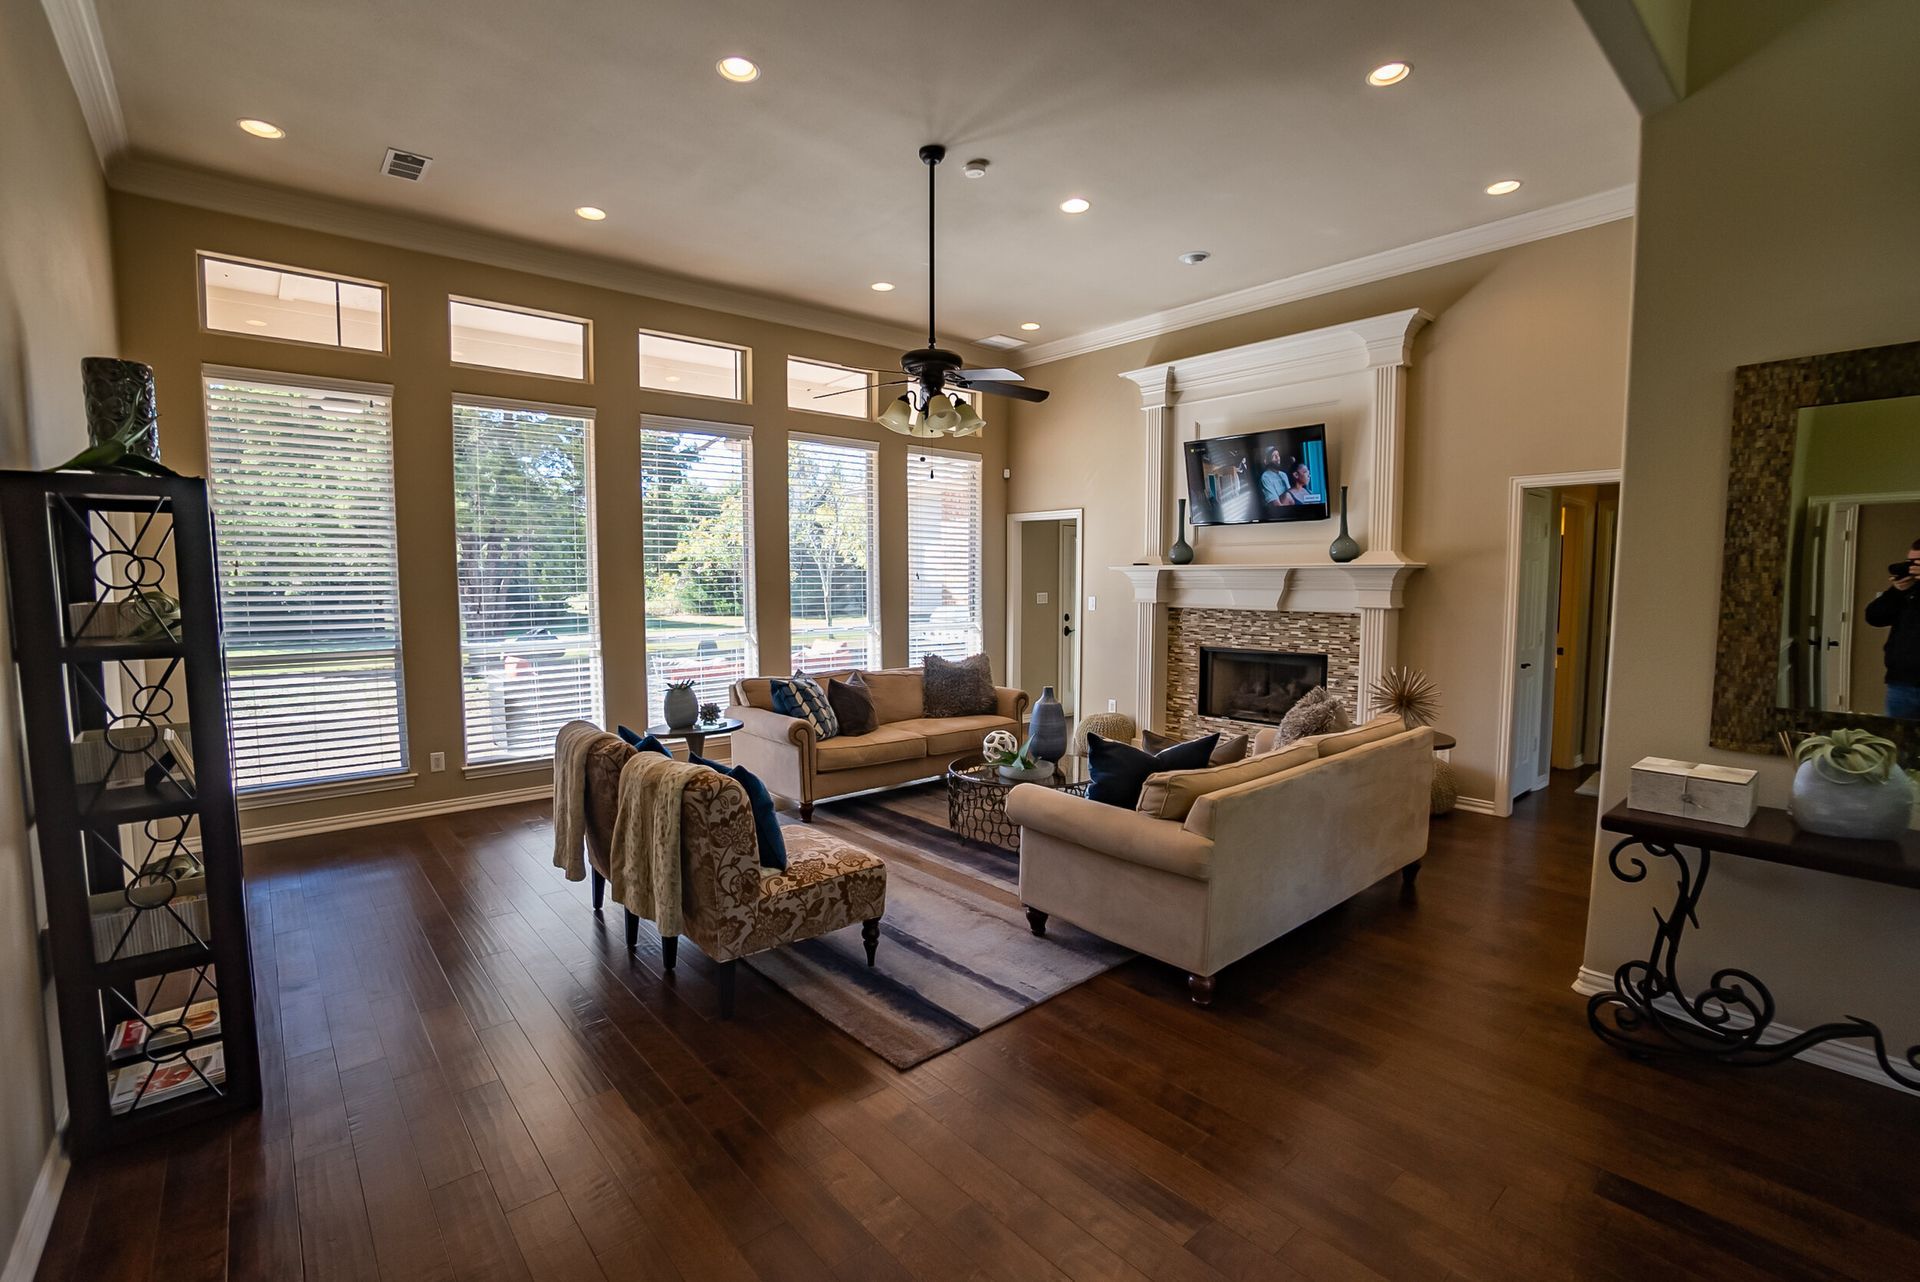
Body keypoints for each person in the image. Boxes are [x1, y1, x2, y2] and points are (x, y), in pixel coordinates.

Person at [1863, 539, 1920, 718]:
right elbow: (1874, 617)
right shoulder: (1908, 589)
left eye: (1917, 563)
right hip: (1901, 684)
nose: (1912, 567)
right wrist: (1896, 591)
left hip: (1903, 684)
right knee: (1896, 735)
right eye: (1910, 562)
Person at [1258, 447, 1290, 513]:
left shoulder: (1283, 474)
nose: (1277, 458)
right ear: (1266, 461)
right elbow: (1277, 505)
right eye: (1273, 456)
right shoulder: (1265, 477)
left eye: (1278, 455)